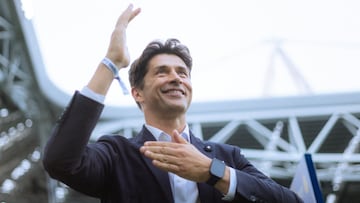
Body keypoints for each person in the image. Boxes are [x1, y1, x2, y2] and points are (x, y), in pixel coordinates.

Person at [42, 4, 303, 203]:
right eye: (162, 72)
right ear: (137, 93)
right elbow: (60, 161)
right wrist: (111, 63)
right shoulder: (117, 154)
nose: (176, 78)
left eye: (182, 73)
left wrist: (211, 171)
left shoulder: (226, 157)